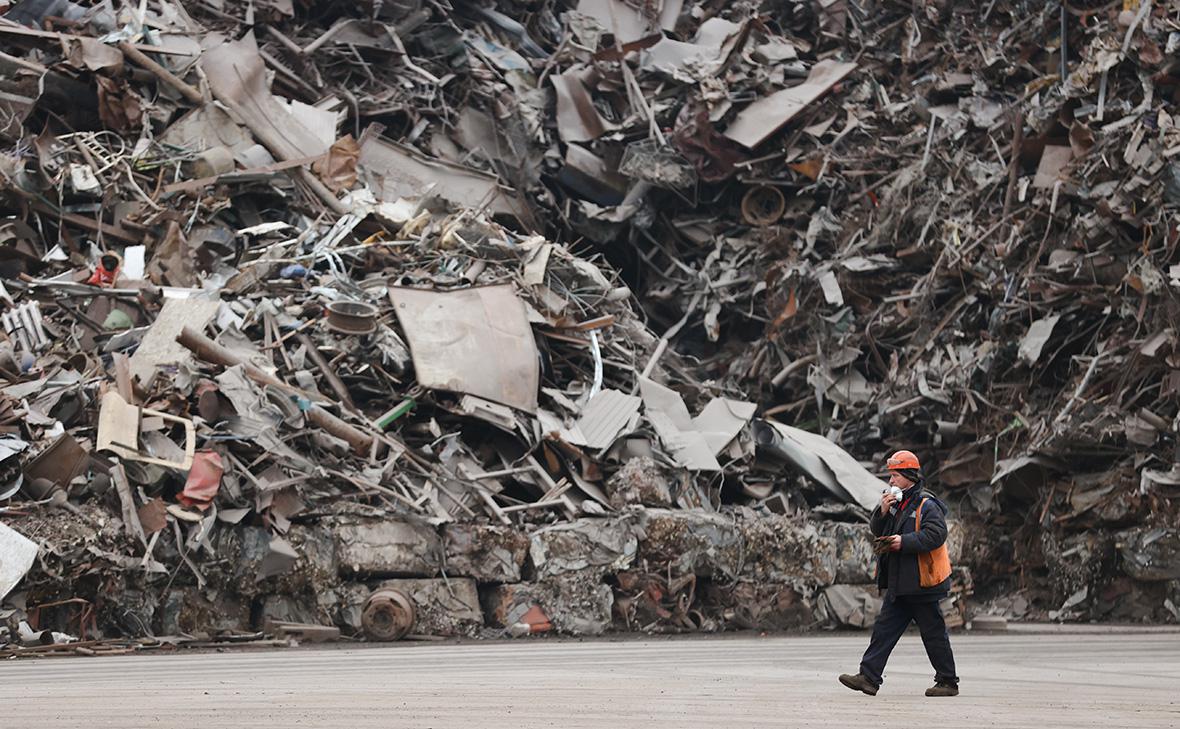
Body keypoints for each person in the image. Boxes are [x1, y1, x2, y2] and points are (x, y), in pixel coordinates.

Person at [839, 449, 959, 697]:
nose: (891, 481)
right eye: (890, 477)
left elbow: (936, 535)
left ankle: (948, 681)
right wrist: (881, 511)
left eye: (895, 476)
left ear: (908, 476)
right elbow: (877, 529)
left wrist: (903, 542)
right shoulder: (896, 504)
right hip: (900, 583)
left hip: (921, 584)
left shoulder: (927, 505)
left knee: (933, 633)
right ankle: (869, 677)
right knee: (884, 631)